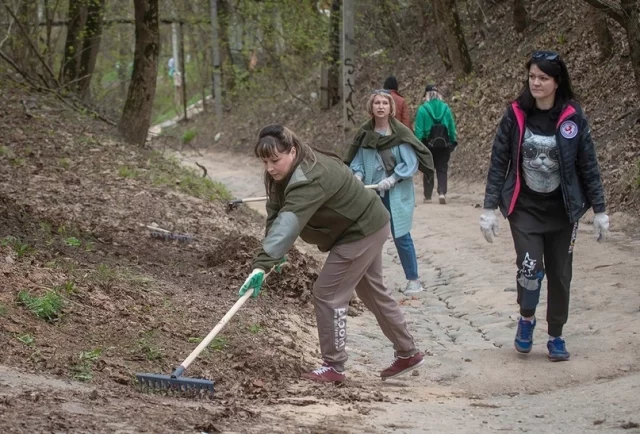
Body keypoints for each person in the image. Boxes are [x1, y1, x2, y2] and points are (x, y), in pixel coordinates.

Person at [239, 124, 425, 383]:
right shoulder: (280, 174)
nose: (270, 168)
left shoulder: (308, 177)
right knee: (372, 293)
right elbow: (276, 212)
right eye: (264, 162)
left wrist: (261, 263)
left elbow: (289, 222)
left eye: (275, 160)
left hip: (360, 230)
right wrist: (271, 256)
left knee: (328, 294)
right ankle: (408, 352)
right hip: (362, 226)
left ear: (292, 152)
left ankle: (334, 366)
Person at [479, 50, 610, 362]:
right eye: (532, 76)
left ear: (556, 81)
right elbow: (499, 161)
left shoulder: (573, 117)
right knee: (529, 268)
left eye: (543, 78)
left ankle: (556, 336)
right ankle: (526, 319)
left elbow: (588, 164)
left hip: (563, 211)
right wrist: (487, 207)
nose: (535, 82)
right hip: (525, 209)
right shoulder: (515, 114)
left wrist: (601, 209)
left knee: (560, 275)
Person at [344, 90, 434, 295]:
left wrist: (393, 178)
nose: (381, 106)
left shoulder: (399, 133)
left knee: (401, 235)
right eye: (377, 102)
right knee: (369, 237)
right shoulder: (365, 134)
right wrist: (357, 176)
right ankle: (371, 282)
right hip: (372, 194)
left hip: (397, 193)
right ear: (371, 107)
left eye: (385, 102)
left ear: (391, 107)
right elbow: (357, 161)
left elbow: (410, 163)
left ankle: (413, 279)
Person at [414, 84, 457, 204]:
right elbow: (451, 127)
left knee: (428, 169)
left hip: (428, 144)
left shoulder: (422, 109)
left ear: (426, 95)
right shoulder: (446, 108)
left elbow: (419, 130)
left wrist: (418, 145)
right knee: (442, 168)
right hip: (444, 143)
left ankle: (428, 196)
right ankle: (442, 193)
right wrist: (453, 141)